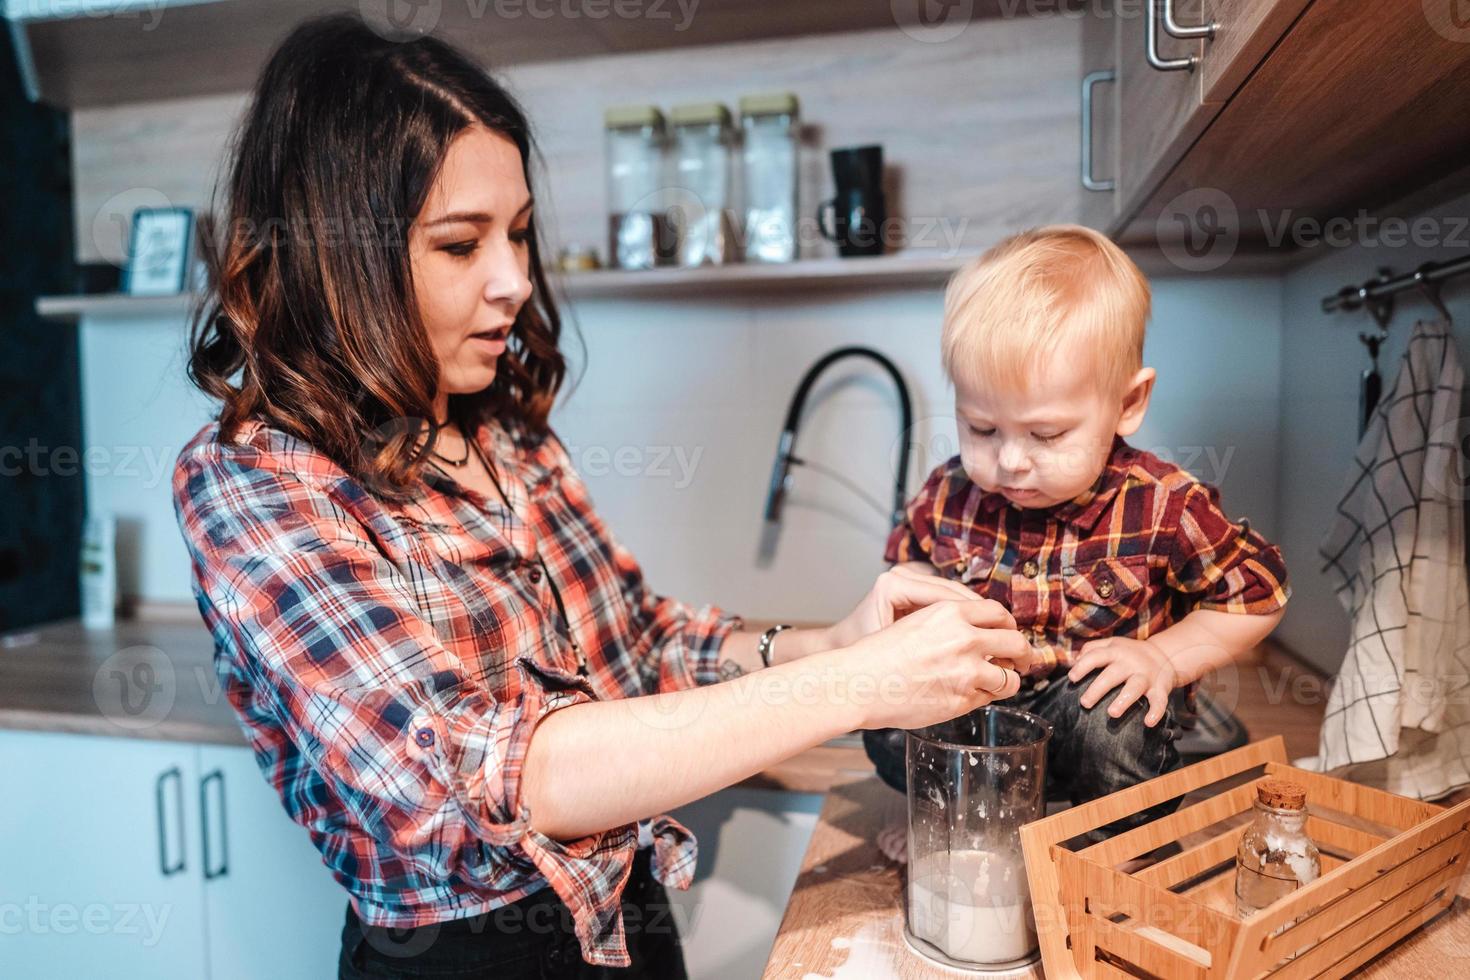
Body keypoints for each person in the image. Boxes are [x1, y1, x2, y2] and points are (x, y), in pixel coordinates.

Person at [171, 14, 1034, 979]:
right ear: (335, 253)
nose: (514, 282)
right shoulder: (253, 481)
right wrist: (857, 684)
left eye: (523, 233)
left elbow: (635, 644)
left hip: (625, 919)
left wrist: (831, 641)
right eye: (462, 245)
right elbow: (476, 771)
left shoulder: (504, 434)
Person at [864, 224, 1291, 845]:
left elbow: (1259, 594)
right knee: (883, 722)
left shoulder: (1164, 504)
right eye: (981, 428)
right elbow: (904, 585)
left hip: (1086, 720)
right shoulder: (947, 493)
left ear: (1128, 403)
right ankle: (955, 829)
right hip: (983, 713)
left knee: (1114, 726)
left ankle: (1109, 856)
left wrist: (1164, 658)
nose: (1010, 460)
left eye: (1045, 436)